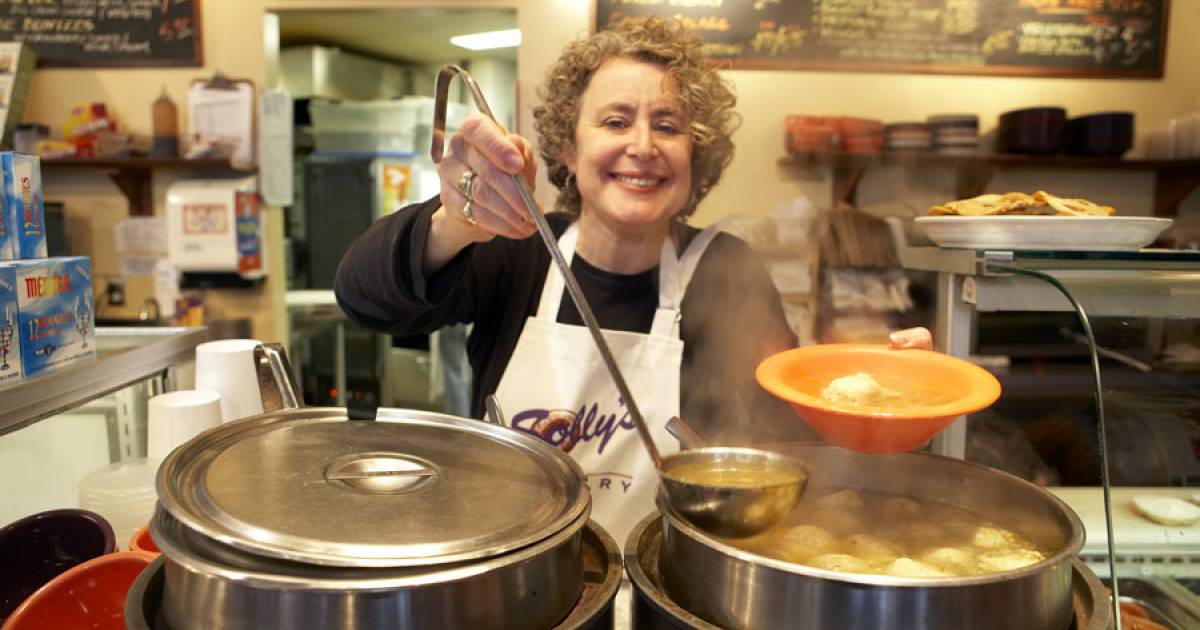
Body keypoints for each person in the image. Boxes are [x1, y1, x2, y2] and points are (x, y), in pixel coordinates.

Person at [335, 18, 930, 543]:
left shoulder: (727, 270)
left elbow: (787, 440)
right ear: (570, 149)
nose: (642, 147)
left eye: (667, 126)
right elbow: (364, 300)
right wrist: (454, 224)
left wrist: (888, 400)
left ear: (696, 154)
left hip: (667, 583)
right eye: (616, 121)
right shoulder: (517, 251)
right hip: (517, 583)